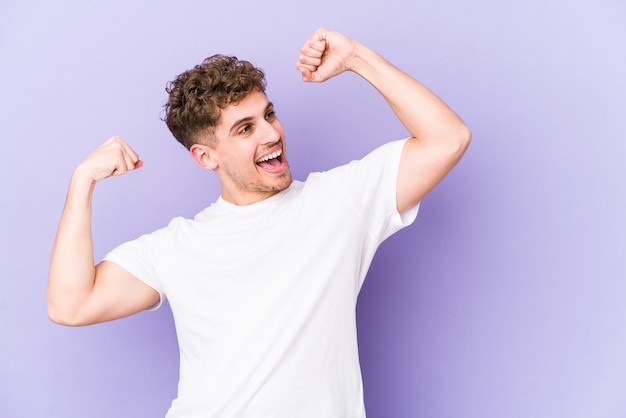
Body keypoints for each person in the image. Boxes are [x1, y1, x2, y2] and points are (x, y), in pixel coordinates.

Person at [47, 28, 471, 417]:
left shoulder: (340, 201)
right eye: (245, 128)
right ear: (205, 157)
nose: (270, 134)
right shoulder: (175, 246)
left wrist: (357, 57)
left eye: (268, 115)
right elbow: (71, 305)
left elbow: (447, 139)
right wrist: (81, 181)